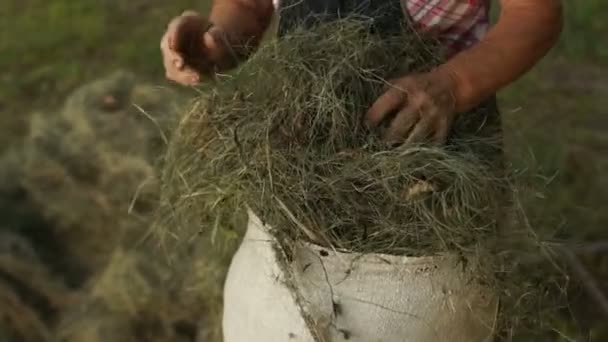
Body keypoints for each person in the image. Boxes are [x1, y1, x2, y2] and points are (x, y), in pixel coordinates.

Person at [161, 0, 562, 146]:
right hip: (297, 146)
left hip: (434, 149)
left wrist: (453, 84)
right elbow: (248, 6)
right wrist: (219, 41)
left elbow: (534, 15)